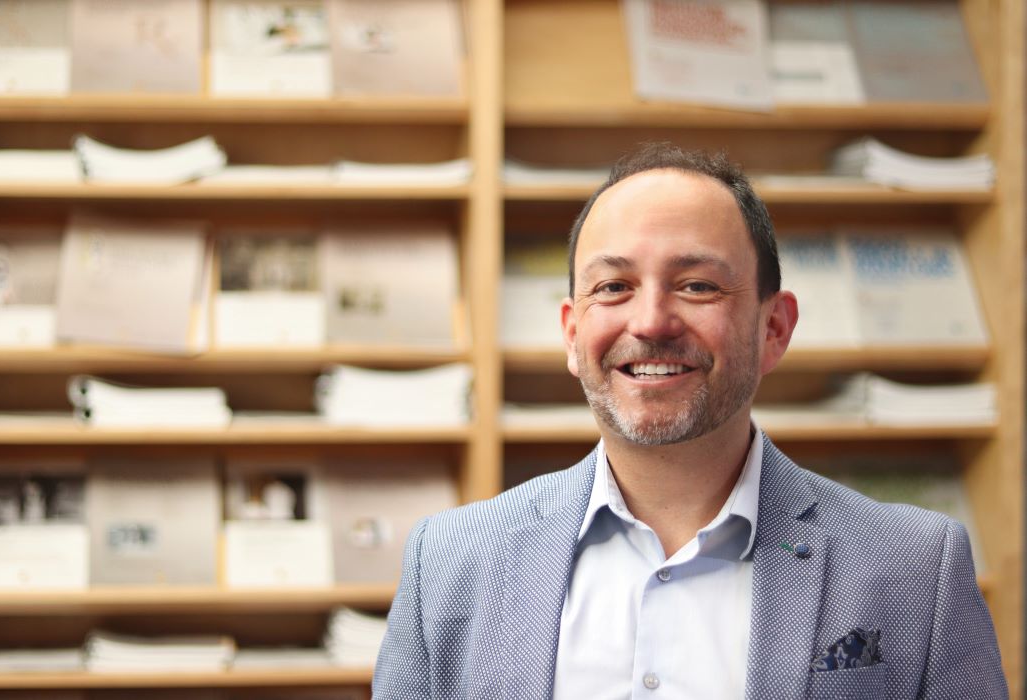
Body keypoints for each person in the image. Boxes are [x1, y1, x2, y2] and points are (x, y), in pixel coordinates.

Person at [372, 143, 1007, 699]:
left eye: (697, 286)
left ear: (773, 328)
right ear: (571, 334)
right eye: (613, 287)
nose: (649, 322)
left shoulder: (916, 569)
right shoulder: (450, 563)